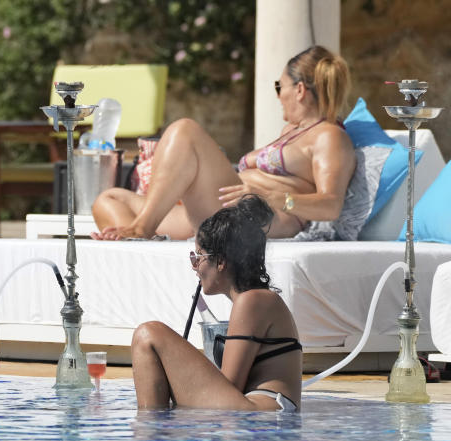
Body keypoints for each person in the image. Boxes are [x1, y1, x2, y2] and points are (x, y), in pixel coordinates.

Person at [91, 45, 355, 240]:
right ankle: (142, 244)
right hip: (227, 207)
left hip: (259, 218)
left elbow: (331, 204)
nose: (278, 96)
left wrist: (275, 198)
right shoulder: (292, 131)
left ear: (298, 90)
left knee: (185, 131)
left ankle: (141, 230)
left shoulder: (329, 136)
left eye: (279, 87)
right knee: (109, 199)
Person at [130, 195, 302, 412]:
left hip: (261, 414)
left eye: (199, 256)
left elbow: (230, 385)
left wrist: (180, 376)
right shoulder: (257, 300)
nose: (194, 265)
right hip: (260, 416)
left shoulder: (253, 301)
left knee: (147, 334)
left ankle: (150, 433)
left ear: (220, 261)